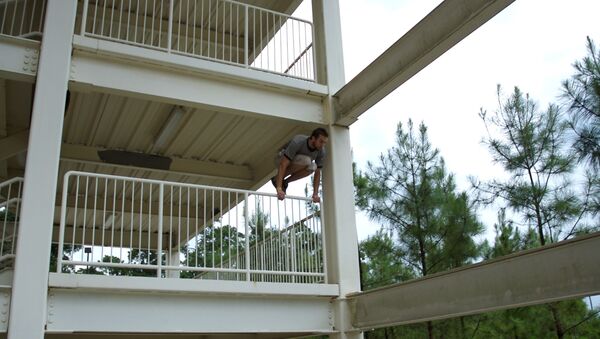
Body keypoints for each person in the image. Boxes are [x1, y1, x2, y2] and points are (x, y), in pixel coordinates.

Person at [271, 127, 328, 203]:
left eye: (324, 143)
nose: (322, 145)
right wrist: (279, 189)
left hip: (297, 162)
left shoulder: (321, 151)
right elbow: (283, 164)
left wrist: (315, 194)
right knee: (306, 161)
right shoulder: (299, 141)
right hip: (281, 158)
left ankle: (285, 182)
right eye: (321, 141)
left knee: (313, 166)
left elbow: (317, 173)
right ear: (313, 138)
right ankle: (278, 180)